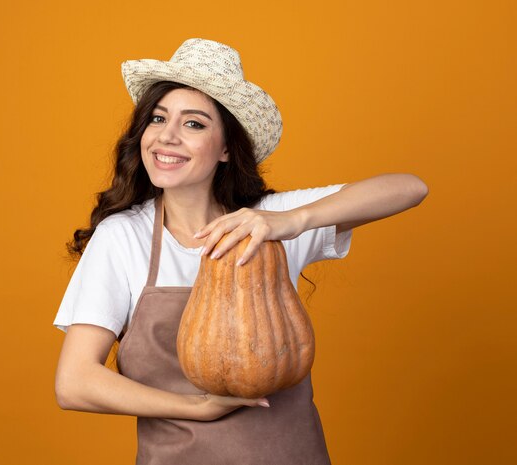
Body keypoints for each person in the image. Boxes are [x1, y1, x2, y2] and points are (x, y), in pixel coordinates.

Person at [52, 38, 428, 465]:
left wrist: (289, 222)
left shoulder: (268, 220)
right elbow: (75, 382)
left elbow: (410, 188)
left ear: (227, 147)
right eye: (158, 119)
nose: (167, 137)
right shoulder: (124, 237)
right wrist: (197, 406)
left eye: (194, 124)